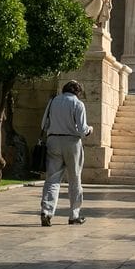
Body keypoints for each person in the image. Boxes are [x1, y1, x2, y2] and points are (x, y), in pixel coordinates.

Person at [39, 80, 93, 226]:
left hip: (53, 140)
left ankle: (47, 211)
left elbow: (44, 124)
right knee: (75, 179)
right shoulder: (78, 104)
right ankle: (74, 215)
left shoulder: (53, 102)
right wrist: (89, 129)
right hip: (72, 142)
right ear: (78, 92)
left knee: (52, 179)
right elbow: (82, 130)